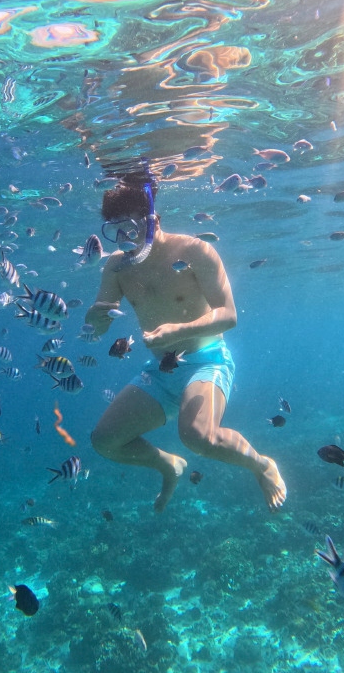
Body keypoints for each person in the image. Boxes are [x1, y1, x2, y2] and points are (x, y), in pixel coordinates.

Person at [86, 175, 287, 513]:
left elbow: (228, 315)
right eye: (114, 231)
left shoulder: (195, 251)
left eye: (131, 227)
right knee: (105, 441)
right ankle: (168, 465)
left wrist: (176, 333)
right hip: (161, 370)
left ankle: (262, 465)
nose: (125, 238)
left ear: (153, 220)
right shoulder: (116, 267)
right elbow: (100, 322)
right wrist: (95, 318)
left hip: (207, 361)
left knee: (199, 437)